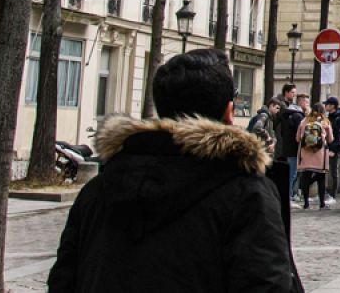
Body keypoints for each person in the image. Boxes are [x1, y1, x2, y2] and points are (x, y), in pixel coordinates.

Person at [49, 49, 300, 293]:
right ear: (229, 112)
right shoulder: (247, 193)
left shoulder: (98, 189)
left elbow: (64, 280)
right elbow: (266, 282)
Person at [295, 102, 333, 209]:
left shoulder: (304, 121)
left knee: (305, 177)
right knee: (321, 178)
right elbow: (331, 139)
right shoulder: (325, 122)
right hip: (320, 154)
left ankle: (306, 203)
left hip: (305, 154)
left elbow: (297, 138)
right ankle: (322, 203)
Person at [273, 92, 305, 208]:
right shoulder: (298, 117)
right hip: (294, 149)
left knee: (291, 173)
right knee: (292, 174)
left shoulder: (285, 117)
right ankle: (288, 197)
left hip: (287, 148)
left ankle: (289, 196)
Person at [325, 97, 340, 198]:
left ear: (332, 106)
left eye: (327, 104)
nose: (325, 106)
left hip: (334, 149)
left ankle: (333, 193)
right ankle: (328, 192)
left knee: (333, 171)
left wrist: (333, 150)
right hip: (328, 148)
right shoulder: (329, 117)